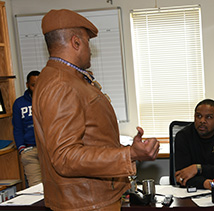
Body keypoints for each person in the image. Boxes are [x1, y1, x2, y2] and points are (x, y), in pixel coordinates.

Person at [32, 9, 159, 211]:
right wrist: (129, 155)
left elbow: (91, 137)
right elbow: (65, 157)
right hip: (87, 203)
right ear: (76, 42)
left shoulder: (66, 78)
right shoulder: (61, 84)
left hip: (91, 199)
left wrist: (125, 150)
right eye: (87, 42)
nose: (90, 50)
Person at [174, 99, 214, 190]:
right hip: (193, 191)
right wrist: (205, 183)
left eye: (208, 117)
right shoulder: (183, 136)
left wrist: (198, 169)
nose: (202, 121)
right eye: (199, 116)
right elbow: (181, 176)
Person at [12, 70, 41, 187]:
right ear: (27, 85)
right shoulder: (19, 103)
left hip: (49, 151)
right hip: (30, 151)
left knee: (55, 188)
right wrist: (21, 149)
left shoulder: (49, 100)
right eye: (33, 85)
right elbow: (17, 128)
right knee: (37, 189)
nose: (36, 88)